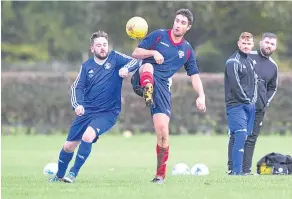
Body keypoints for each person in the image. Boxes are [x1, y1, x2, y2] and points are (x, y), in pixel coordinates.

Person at [49, 30, 140, 183]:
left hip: (108, 112)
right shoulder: (86, 66)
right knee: (68, 146)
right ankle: (58, 176)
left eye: (105, 44)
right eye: (98, 45)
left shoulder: (115, 58)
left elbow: (135, 61)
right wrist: (78, 105)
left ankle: (72, 174)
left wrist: (126, 69)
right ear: (92, 49)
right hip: (87, 111)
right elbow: (76, 88)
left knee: (88, 136)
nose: (103, 48)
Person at [131, 8, 206, 184]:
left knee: (163, 133)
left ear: (188, 27)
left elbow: (194, 75)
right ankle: (147, 89)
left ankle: (160, 176)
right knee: (147, 68)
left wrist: (201, 96)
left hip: (162, 88)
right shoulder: (159, 36)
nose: (178, 25)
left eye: (182, 23)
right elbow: (136, 53)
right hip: (142, 77)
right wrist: (153, 53)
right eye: (177, 20)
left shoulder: (187, 50)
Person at [227, 32, 278, 174]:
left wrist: (264, 102)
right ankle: (232, 169)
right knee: (237, 135)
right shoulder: (247, 55)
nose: (269, 46)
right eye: (267, 42)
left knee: (251, 139)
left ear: (275, 47)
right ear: (260, 43)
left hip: (258, 109)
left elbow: (272, 87)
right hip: (241, 105)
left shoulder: (273, 67)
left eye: (272, 44)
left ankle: (246, 170)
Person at [224, 32, 258, 175]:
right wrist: (246, 100)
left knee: (241, 136)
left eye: (248, 44)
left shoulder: (251, 62)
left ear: (252, 45)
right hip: (236, 105)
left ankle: (234, 169)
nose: (246, 46)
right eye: (243, 43)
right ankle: (236, 172)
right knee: (240, 134)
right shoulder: (233, 62)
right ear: (239, 44)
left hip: (250, 106)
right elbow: (235, 84)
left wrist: (253, 102)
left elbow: (255, 83)